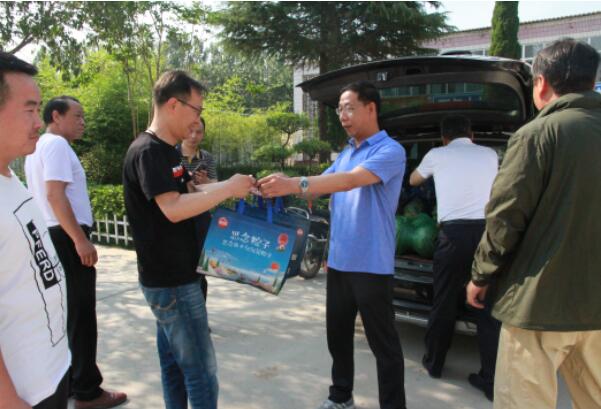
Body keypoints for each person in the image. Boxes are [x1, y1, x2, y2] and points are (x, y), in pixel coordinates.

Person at [467, 38, 601, 409]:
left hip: (538, 305)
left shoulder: (537, 135)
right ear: (591, 81)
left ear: (541, 83)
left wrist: (481, 275)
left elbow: (505, 217)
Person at [258, 81, 406, 409]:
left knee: (384, 345)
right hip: (339, 261)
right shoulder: (347, 153)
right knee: (337, 337)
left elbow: (350, 181)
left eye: (349, 107)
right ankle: (341, 397)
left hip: (371, 264)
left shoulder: (390, 151)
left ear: (371, 108)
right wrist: (272, 187)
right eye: (339, 109)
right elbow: (318, 188)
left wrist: (293, 183)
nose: (342, 115)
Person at [122, 69, 254, 409]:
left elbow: (191, 192)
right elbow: (173, 208)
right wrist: (228, 188)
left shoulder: (168, 151)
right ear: (173, 105)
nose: (198, 120)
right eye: (196, 109)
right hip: (172, 282)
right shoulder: (148, 151)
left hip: (177, 277)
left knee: (174, 366)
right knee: (201, 372)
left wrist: (239, 185)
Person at [24, 96, 127, 409]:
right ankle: (87, 391)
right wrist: (80, 239)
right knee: (81, 315)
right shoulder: (56, 145)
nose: (83, 122)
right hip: (67, 237)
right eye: (77, 116)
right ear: (56, 116)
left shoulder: (38, 147)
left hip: (53, 235)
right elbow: (55, 195)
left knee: (66, 314)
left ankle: (69, 381)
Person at [409, 115, 500, 400]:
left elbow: (413, 180)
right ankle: (490, 380)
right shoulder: (490, 154)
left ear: (443, 137)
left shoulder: (437, 154)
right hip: (486, 236)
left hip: (452, 235)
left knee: (444, 301)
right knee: (487, 307)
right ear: (471, 134)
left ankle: (434, 364)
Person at [0, 52, 70, 409]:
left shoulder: (11, 179)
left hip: (52, 373)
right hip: (25, 396)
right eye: (29, 109)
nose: (38, 123)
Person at [177, 118, 217, 301]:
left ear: (204, 134)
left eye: (199, 132)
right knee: (181, 266)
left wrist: (205, 182)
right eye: (190, 131)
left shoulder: (207, 157)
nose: (194, 136)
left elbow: (215, 185)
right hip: (179, 215)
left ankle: (200, 311)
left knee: (200, 269)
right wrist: (186, 183)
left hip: (201, 217)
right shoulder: (171, 154)